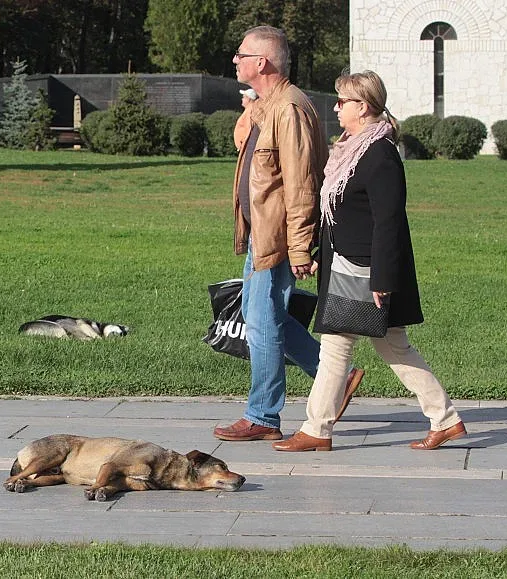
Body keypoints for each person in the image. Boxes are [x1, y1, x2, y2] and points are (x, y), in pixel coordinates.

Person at [273, 70, 466, 452]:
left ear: (363, 107)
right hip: (347, 264)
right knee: (393, 346)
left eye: (342, 101)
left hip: (365, 271)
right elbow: (344, 214)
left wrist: (382, 278)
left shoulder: (379, 154)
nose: (336, 107)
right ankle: (445, 420)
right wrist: (317, 255)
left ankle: (317, 428)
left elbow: (388, 220)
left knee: (336, 343)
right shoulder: (351, 148)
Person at [213, 26, 364, 442]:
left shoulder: (290, 109)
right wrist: (251, 104)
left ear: (261, 62)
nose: (234, 61)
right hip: (264, 230)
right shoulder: (269, 104)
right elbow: (242, 144)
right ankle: (335, 376)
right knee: (267, 316)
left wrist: (299, 246)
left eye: (241, 54)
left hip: (277, 235)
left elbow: (300, 183)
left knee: (261, 323)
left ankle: (262, 415)